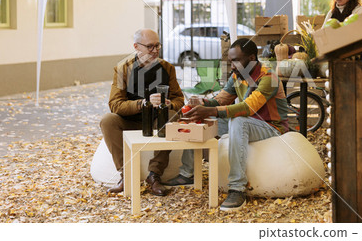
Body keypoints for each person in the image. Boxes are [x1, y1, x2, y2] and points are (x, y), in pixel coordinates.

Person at [165, 38, 289, 211]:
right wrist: (202, 103)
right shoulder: (237, 75)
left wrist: (211, 111)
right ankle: (187, 173)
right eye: (231, 61)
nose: (232, 65)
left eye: (236, 60)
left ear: (252, 57)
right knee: (201, 120)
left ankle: (237, 188)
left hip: (272, 127)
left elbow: (247, 108)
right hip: (248, 123)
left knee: (238, 120)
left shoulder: (269, 77)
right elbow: (221, 99)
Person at [101, 29, 184, 196]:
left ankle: (154, 175)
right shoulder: (122, 69)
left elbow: (179, 101)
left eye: (157, 46)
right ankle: (127, 175)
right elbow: (115, 104)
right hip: (130, 120)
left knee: (171, 116)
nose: (155, 51)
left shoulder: (167, 68)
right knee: (107, 121)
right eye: (150, 47)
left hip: (157, 121)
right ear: (136, 47)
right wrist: (143, 103)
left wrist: (169, 104)